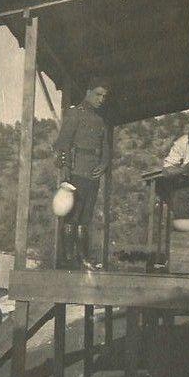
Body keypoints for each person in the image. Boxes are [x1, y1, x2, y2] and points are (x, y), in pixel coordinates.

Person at [54, 77, 110, 268]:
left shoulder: (100, 120)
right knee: (72, 217)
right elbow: (63, 144)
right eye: (98, 94)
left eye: (104, 96)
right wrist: (67, 172)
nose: (101, 99)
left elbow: (106, 149)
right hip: (76, 174)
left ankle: (83, 258)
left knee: (86, 218)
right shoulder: (74, 114)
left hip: (92, 176)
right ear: (88, 92)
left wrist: (103, 165)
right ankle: (68, 259)